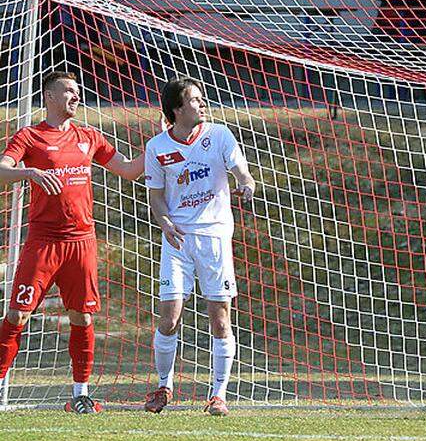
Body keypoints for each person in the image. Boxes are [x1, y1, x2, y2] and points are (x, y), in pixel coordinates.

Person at [0, 71, 144, 413]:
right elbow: (1, 169)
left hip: (81, 242)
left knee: (83, 317)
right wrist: (29, 172)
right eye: (68, 91)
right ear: (50, 97)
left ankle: (80, 393)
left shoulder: (89, 136)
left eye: (77, 92)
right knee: (17, 314)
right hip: (43, 242)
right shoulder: (30, 136)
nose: (76, 97)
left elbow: (127, 169)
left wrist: (162, 146)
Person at [142, 77, 256, 416]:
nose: (202, 104)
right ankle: (164, 386)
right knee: (169, 317)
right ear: (177, 109)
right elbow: (156, 198)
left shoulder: (219, 135)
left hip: (215, 238)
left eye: (202, 98)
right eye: (194, 99)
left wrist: (246, 184)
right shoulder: (157, 147)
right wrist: (163, 221)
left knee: (220, 319)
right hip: (177, 240)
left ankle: (218, 395)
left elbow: (243, 173)